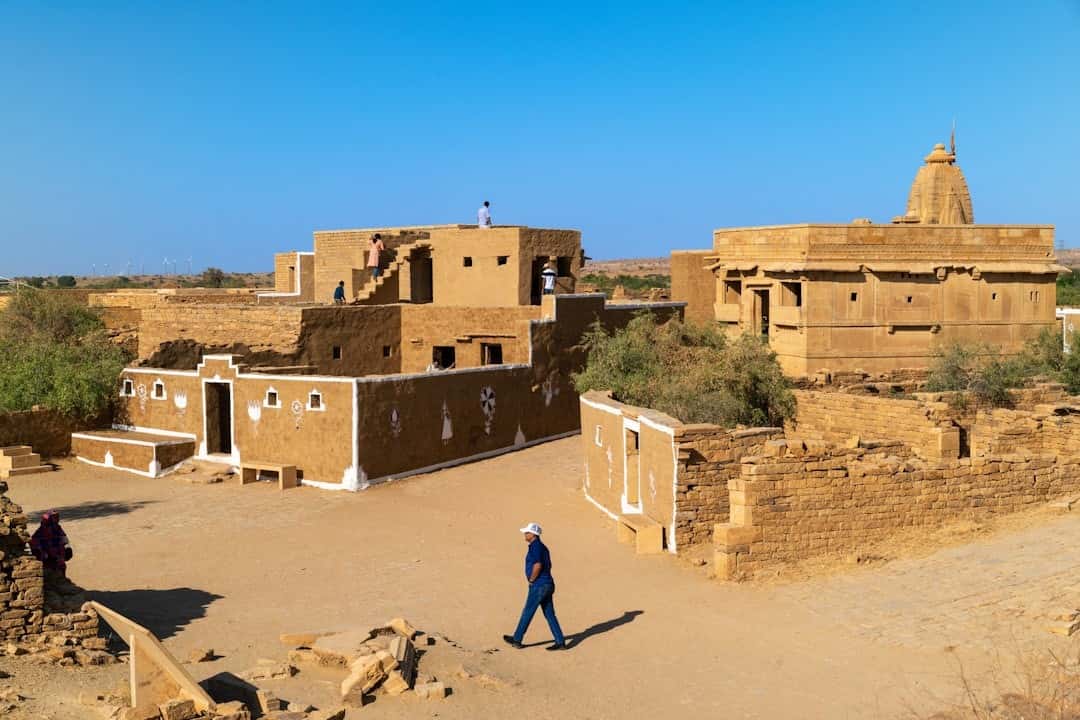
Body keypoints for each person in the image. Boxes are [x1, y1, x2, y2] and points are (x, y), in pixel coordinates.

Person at [503, 522, 567, 651]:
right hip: (548, 584)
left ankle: (517, 639)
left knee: (528, 611)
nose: (525, 534)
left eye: (527, 532)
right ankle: (560, 642)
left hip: (539, 585)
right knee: (549, 614)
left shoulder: (535, 546)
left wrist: (532, 580)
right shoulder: (543, 547)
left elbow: (538, 565)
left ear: (533, 534)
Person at [30, 511, 73, 577]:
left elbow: (64, 539)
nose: (57, 519)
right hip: (47, 559)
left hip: (59, 556)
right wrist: (42, 554)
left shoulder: (58, 529)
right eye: (55, 518)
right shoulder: (40, 532)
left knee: (61, 571)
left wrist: (67, 548)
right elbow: (34, 544)